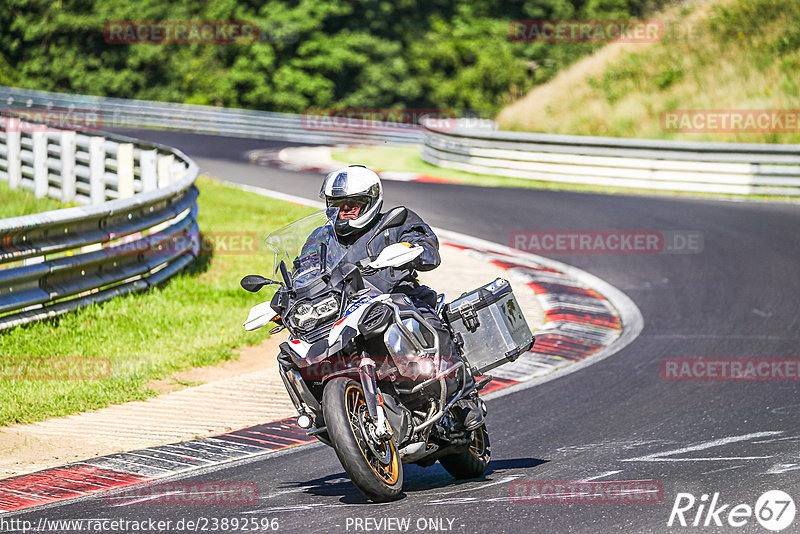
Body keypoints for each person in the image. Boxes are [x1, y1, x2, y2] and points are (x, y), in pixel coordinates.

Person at [319, 164, 483, 430]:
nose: (344, 211)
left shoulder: (396, 221)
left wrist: (415, 249)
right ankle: (327, 412)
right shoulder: (322, 239)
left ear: (371, 201)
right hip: (344, 311)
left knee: (428, 320)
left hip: (397, 296)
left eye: (353, 204)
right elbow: (303, 268)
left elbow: (426, 246)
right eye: (338, 205)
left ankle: (463, 397)